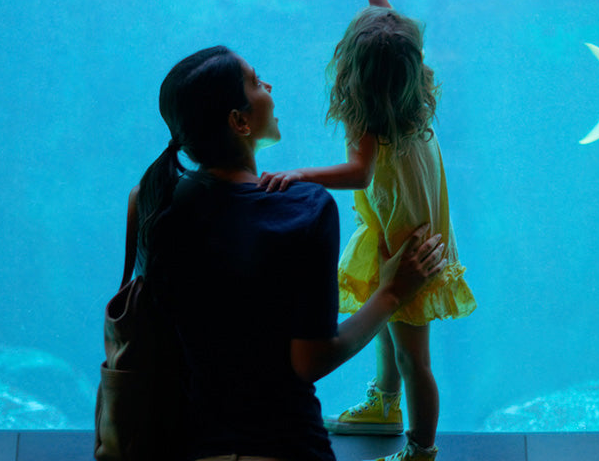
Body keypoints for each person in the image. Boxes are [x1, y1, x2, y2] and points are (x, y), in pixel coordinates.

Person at [128, 45, 448, 461]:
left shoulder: (151, 200)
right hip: (286, 446)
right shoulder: (303, 210)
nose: (269, 86)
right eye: (256, 82)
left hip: (181, 445)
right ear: (239, 121)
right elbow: (310, 361)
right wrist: (391, 292)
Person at [258, 0, 477, 461]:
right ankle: (385, 403)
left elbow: (359, 173)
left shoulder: (369, 116)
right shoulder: (412, 83)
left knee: (413, 356)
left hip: (410, 244)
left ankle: (421, 449)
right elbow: (391, 28)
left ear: (353, 71)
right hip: (410, 221)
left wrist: (297, 174)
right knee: (386, 320)